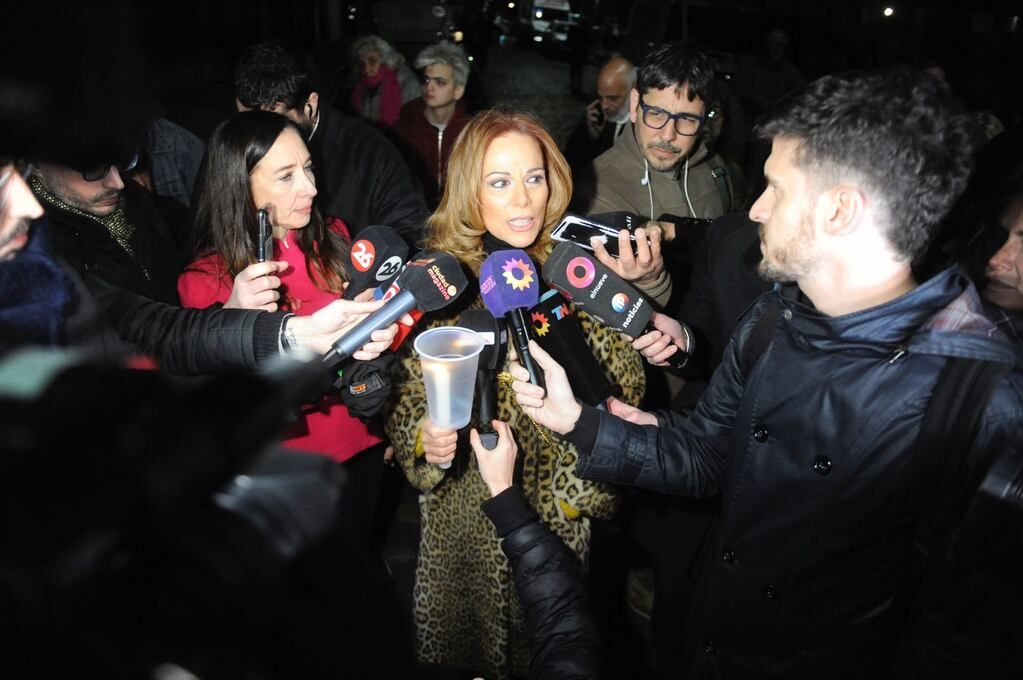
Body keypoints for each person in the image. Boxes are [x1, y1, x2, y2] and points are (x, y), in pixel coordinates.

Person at [510, 68, 1023, 677]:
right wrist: (581, 423)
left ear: (839, 210)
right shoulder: (773, 316)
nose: (755, 208)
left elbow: (961, 647)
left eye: (776, 188)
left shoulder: (985, 404)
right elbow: (706, 455)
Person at [385, 109, 645, 679]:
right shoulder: (439, 285)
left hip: (557, 526)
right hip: (463, 538)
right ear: (468, 191)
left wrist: (579, 491)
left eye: (535, 176)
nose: (524, 199)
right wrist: (425, 442)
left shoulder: (578, 273)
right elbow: (405, 403)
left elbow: (624, 391)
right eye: (500, 182)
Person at [178, 110, 391, 539]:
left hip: (364, 444)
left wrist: (382, 329)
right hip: (283, 470)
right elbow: (213, 407)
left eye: (309, 169)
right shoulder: (205, 282)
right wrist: (233, 320)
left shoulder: (335, 236)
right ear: (241, 186)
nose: (310, 188)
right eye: (286, 176)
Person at [575, 42, 736, 310]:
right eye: (657, 113)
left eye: (687, 119)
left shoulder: (716, 170)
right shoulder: (592, 189)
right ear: (636, 103)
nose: (667, 135)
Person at [234, 39, 429, 249]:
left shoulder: (370, 153)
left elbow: (410, 232)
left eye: (274, 123)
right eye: (246, 121)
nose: (256, 137)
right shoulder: (232, 143)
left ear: (310, 105)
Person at [473, 420, 603, 680]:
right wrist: (427, 436)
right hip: (470, 523)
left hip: (552, 517)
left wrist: (578, 488)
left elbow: (614, 415)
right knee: (474, 637)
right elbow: (410, 392)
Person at [30, 149, 189, 305]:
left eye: (121, 162)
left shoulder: (148, 205)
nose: (117, 183)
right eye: (93, 168)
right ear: (37, 165)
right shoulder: (35, 250)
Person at [393, 41, 473, 208]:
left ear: (458, 90)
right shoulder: (403, 129)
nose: (429, 87)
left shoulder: (470, 132)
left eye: (440, 82)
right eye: (427, 80)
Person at [563, 55, 635, 172]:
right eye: (601, 97)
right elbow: (570, 162)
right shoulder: (595, 114)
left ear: (633, 89)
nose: (604, 106)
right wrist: (591, 137)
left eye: (613, 98)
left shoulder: (643, 127)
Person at [349, 34, 420, 127]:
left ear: (384, 61)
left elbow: (416, 124)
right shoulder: (360, 87)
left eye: (372, 61)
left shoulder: (407, 85)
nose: (366, 68)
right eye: (361, 63)